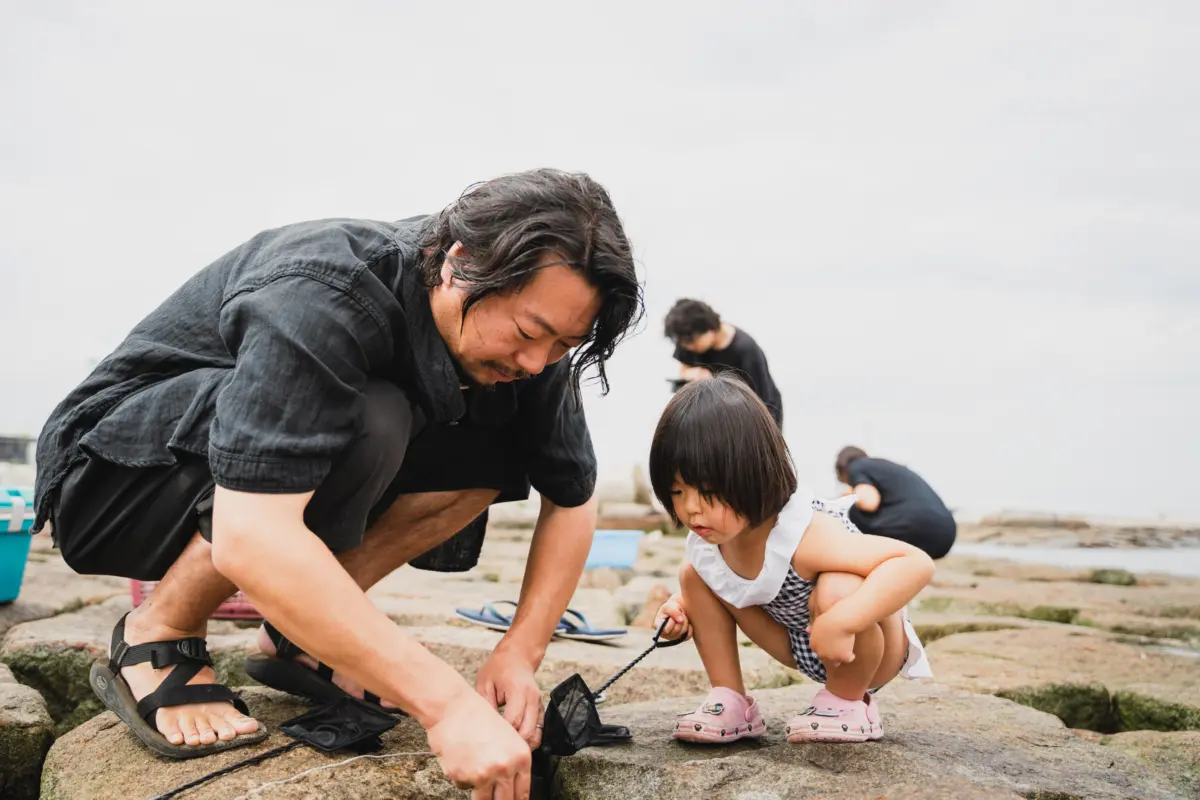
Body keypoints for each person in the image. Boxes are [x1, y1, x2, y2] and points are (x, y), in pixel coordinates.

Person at [33, 168, 642, 798]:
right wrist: (447, 704)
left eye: (563, 344)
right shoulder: (326, 290)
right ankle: (159, 632)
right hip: (116, 477)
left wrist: (519, 654)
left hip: (249, 485)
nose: (537, 362)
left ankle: (301, 630)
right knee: (370, 416)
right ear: (460, 263)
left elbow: (572, 497)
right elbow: (253, 534)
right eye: (529, 333)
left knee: (494, 443)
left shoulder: (530, 342)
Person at [649, 375, 934, 744]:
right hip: (801, 645)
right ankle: (731, 700)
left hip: (868, 648)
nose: (690, 508)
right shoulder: (711, 543)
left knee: (839, 586)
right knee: (694, 574)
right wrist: (681, 610)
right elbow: (716, 589)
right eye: (676, 491)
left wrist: (844, 621)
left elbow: (915, 563)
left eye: (707, 491)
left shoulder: (803, 533)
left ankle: (849, 702)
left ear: (754, 475)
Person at [663, 298, 783, 428]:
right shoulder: (687, 340)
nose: (689, 348)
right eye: (684, 345)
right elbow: (685, 369)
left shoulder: (746, 350)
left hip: (757, 411)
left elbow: (765, 399)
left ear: (710, 329)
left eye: (692, 342)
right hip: (715, 412)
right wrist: (695, 374)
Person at [835, 446, 957, 560]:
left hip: (917, 528)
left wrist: (849, 494)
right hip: (946, 535)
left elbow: (869, 502)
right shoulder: (889, 468)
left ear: (842, 468)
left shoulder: (857, 466)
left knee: (849, 508)